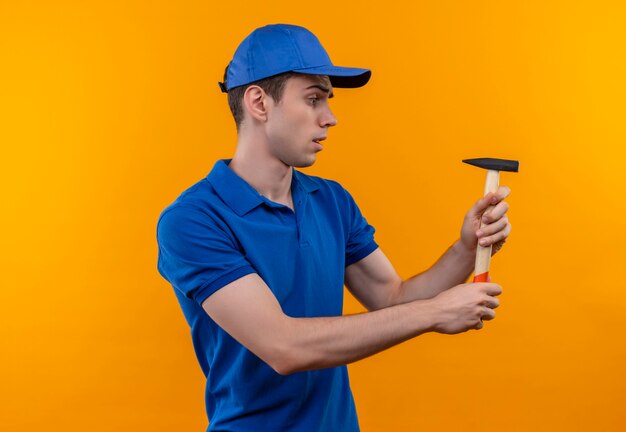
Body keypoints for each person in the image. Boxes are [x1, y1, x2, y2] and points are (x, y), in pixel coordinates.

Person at [157, 24, 511, 432]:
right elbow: (282, 345)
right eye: (313, 100)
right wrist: (434, 313)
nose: (331, 118)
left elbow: (391, 298)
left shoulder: (332, 200)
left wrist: (466, 247)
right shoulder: (193, 220)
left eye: (328, 100)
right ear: (258, 103)